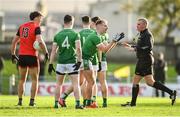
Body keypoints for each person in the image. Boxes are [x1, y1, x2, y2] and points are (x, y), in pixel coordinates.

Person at [121, 18, 176, 107]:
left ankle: (133, 103)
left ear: (144, 25)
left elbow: (148, 47)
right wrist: (131, 46)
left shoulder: (147, 35)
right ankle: (171, 92)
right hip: (145, 59)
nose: (137, 26)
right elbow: (141, 46)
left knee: (136, 80)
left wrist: (134, 48)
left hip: (144, 60)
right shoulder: (142, 34)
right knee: (150, 82)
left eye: (139, 24)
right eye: (137, 24)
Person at [82, 19, 124, 108]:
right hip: (85, 60)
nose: (107, 27)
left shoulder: (100, 36)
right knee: (90, 82)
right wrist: (113, 41)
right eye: (105, 25)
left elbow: (107, 50)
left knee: (91, 82)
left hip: (87, 60)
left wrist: (115, 41)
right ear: (98, 26)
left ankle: (88, 103)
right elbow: (104, 49)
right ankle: (87, 104)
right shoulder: (95, 37)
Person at [11, 11, 49, 106]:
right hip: (32, 56)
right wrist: (46, 52)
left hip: (22, 57)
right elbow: (40, 41)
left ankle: (20, 101)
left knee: (21, 80)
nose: (41, 19)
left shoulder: (22, 26)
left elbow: (14, 41)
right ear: (36, 17)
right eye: (41, 17)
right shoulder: (36, 27)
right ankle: (32, 102)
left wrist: (13, 54)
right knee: (34, 80)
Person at [57, 15, 95, 107]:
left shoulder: (79, 33)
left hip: (79, 59)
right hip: (88, 59)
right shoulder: (93, 33)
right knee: (90, 82)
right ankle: (88, 102)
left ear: (82, 23)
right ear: (90, 23)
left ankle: (62, 97)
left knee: (80, 82)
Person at [48, 14, 83, 109]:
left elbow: (53, 51)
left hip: (61, 63)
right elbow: (78, 49)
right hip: (72, 62)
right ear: (72, 22)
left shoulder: (57, 35)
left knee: (59, 84)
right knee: (76, 83)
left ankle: (56, 104)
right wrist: (79, 61)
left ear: (64, 22)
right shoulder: (76, 34)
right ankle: (77, 104)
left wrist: (50, 64)